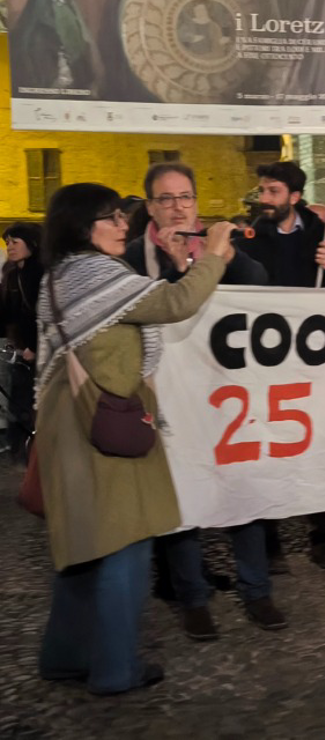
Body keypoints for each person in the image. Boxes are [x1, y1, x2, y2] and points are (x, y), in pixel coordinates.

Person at [35, 183, 235, 694]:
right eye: (111, 218)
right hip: (108, 430)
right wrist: (212, 254)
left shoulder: (60, 277)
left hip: (71, 425)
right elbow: (176, 302)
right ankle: (114, 669)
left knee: (85, 549)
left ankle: (65, 655)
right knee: (125, 546)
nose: (124, 224)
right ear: (84, 228)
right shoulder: (98, 272)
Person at [123, 163, 282, 642]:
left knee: (242, 491)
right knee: (183, 499)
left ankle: (257, 590)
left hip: (227, 393)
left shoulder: (216, 247)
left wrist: (227, 258)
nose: (177, 207)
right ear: (150, 207)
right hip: (169, 398)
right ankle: (191, 597)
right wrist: (175, 275)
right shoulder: (131, 257)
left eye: (185, 197)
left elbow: (261, 293)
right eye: (166, 199)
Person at [238, 161, 325, 571]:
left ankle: (322, 538)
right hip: (267, 363)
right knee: (267, 449)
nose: (264, 199)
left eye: (272, 192)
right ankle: (270, 545)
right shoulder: (252, 235)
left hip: (314, 365)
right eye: (262, 191)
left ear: (294, 197)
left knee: (319, 450)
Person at [0, 223, 43, 461]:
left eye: (15, 242)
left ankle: (33, 451)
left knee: (34, 402)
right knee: (18, 400)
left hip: (39, 351)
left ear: (31, 244)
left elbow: (46, 316)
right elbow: (7, 313)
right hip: (20, 350)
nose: (10, 247)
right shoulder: (11, 274)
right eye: (8, 243)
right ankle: (18, 448)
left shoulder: (41, 273)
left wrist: (36, 348)